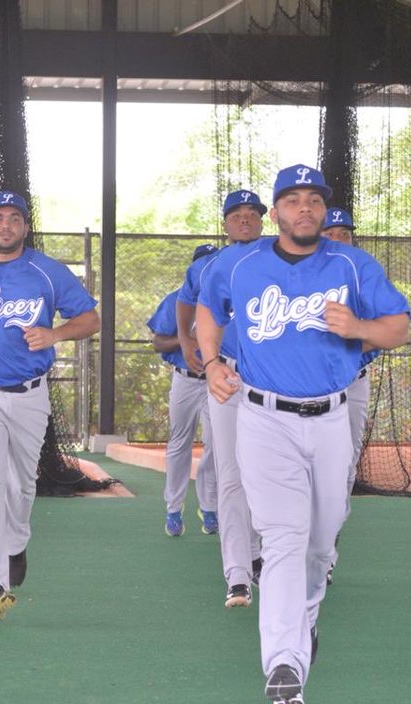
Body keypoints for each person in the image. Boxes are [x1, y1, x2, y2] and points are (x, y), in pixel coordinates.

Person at [197, 165, 410, 704]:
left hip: (332, 418)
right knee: (285, 539)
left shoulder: (352, 265)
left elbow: (398, 326)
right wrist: (212, 361)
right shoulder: (239, 262)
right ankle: (284, 662)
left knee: (321, 542)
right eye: (293, 201)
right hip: (264, 417)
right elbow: (205, 307)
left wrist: (359, 329)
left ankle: (304, 618)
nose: (305, 209)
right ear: (276, 213)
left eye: (314, 200)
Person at [0, 191, 99, 620]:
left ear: (24, 227)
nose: (5, 226)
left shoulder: (46, 272)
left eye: (14, 218)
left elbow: (90, 318)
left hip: (30, 392)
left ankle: (16, 543)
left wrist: (55, 335)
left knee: (22, 485)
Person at [177, 189, 268, 608]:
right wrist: (197, 349)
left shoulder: (280, 254)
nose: (246, 219)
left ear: (264, 220)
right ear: (226, 223)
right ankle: (237, 575)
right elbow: (195, 308)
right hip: (229, 374)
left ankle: (259, 555)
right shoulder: (214, 265)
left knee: (267, 475)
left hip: (274, 379)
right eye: (238, 214)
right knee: (231, 472)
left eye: (253, 213)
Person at [147, 243, 218, 537]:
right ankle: (173, 508)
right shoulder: (178, 299)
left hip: (218, 380)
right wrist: (187, 338)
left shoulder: (226, 298)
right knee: (179, 443)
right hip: (186, 379)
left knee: (216, 445)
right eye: (202, 263)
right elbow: (158, 342)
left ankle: (210, 507)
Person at [321, 207, 373, 585]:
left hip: (353, 382)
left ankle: (327, 551)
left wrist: (356, 341)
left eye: (346, 234)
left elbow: (387, 327)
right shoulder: (300, 275)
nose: (340, 239)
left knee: (345, 467)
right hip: (312, 387)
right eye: (332, 233)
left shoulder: (363, 277)